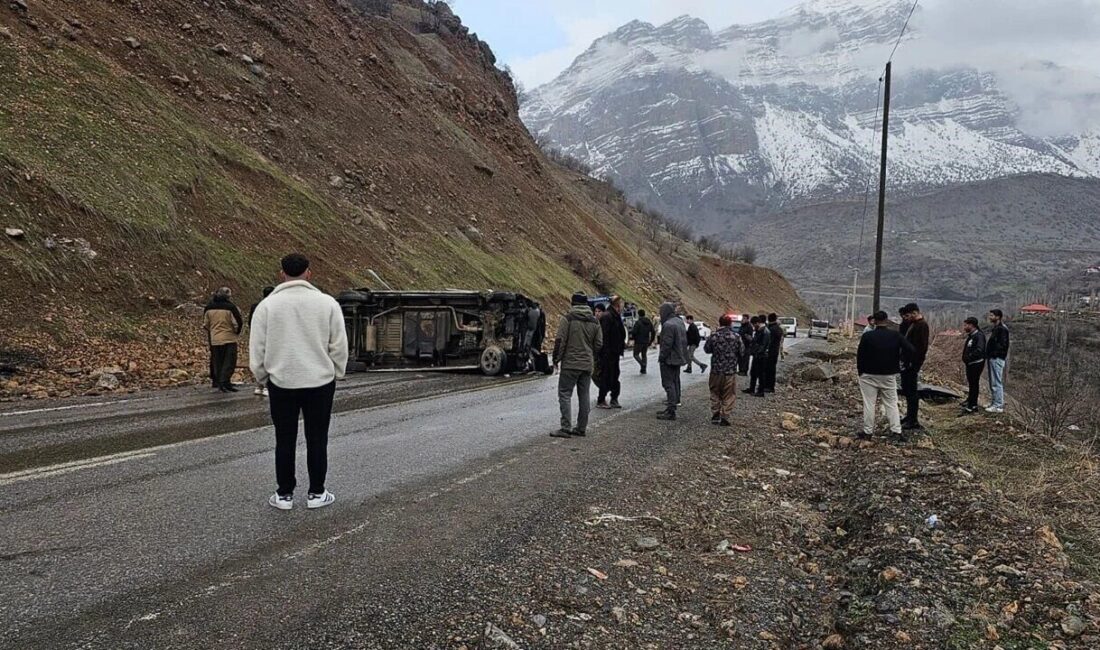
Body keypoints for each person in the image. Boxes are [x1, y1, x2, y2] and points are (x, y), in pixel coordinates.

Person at [250, 254, 349, 511]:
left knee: (284, 439)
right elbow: (338, 344)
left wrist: (262, 376)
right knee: (317, 437)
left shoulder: (267, 307)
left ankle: (284, 494)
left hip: (282, 381)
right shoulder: (327, 304)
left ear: (281, 274)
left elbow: (257, 348)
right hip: (320, 381)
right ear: (309, 273)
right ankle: (317, 492)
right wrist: (336, 371)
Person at [856, 311, 915, 440]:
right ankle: (896, 431)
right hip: (888, 374)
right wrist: (903, 362)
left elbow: (860, 355)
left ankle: (867, 432)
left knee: (869, 403)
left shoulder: (868, 336)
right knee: (891, 403)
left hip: (868, 375)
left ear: (874, 321)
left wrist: (860, 371)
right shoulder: (895, 335)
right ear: (886, 320)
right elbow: (910, 349)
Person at [552, 292, 603, 438]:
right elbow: (599, 343)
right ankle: (581, 428)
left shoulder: (567, 319)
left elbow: (560, 341)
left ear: (573, 303)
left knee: (565, 394)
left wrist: (556, 360)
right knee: (584, 395)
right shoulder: (595, 321)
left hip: (570, 364)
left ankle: (565, 427)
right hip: (587, 364)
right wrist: (589, 354)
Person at [704, 314, 744, 427]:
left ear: (719, 323)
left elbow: (707, 349)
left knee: (715, 392)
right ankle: (725, 416)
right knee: (729, 394)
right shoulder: (736, 336)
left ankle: (715, 413)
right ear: (730, 324)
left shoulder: (714, 336)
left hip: (716, 370)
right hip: (730, 371)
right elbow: (742, 352)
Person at [203, 287, 243, 393]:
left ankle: (216, 381)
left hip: (214, 338)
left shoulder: (209, 307)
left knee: (217, 360)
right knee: (229, 361)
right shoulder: (231, 308)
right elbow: (237, 323)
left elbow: (206, 324)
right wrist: (236, 332)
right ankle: (225, 382)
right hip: (229, 338)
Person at [898, 303, 930, 431]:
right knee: (907, 390)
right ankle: (909, 416)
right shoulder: (913, 324)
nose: (907, 317)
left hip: (912, 363)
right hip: (907, 362)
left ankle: (913, 419)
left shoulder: (922, 325)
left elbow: (921, 348)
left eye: (909, 314)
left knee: (912, 391)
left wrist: (913, 363)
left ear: (915, 313)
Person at [657, 302, 688, 421]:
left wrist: (662, 357)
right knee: (675, 382)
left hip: (669, 359)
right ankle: (672, 406)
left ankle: (671, 410)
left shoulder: (668, 325)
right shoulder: (679, 321)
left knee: (668, 384)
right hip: (678, 358)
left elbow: (666, 344)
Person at [597, 295, 626, 409]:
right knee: (606, 376)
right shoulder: (608, 316)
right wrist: (605, 352)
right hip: (608, 353)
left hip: (614, 352)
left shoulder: (615, 316)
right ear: (617, 304)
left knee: (614, 376)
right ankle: (602, 399)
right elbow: (605, 336)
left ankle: (614, 398)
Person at [249, 286, 275, 396]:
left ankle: (259, 385)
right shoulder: (274, 306)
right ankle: (266, 386)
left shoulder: (256, 306)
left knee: (259, 359)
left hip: (258, 335)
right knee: (270, 361)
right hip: (271, 336)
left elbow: (251, 321)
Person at [985, 309, 1010, 413]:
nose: (990, 317)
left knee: (996, 382)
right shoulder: (997, 328)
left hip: (997, 358)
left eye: (992, 315)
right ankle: (994, 402)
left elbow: (1003, 345)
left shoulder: (1002, 329)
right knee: (993, 382)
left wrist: (995, 354)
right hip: (993, 358)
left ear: (998, 317)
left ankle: (998, 405)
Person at [961, 316, 987, 414]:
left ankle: (973, 405)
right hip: (970, 364)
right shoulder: (972, 335)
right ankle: (970, 400)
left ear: (972, 325)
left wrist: (969, 357)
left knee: (974, 384)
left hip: (976, 364)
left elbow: (980, 350)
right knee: (971, 384)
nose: (964, 327)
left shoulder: (979, 336)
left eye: (966, 325)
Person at [744, 316, 771, 397]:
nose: (753, 326)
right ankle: (752, 388)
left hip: (761, 356)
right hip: (757, 355)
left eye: (753, 324)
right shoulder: (760, 331)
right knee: (753, 373)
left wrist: (757, 352)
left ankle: (760, 391)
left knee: (761, 374)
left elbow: (763, 345)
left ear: (757, 323)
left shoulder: (765, 332)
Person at [764, 313, 785, 393]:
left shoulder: (771, 329)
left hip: (770, 352)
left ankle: (768, 386)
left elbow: (769, 342)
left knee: (768, 370)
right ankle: (769, 386)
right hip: (775, 352)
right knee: (772, 369)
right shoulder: (778, 329)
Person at [631, 309, 655, 374]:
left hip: (639, 341)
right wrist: (651, 340)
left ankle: (642, 364)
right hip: (646, 341)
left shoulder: (638, 322)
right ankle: (643, 369)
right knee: (644, 355)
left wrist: (633, 338)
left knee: (635, 354)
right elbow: (653, 331)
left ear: (638, 314)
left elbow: (634, 332)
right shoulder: (649, 322)